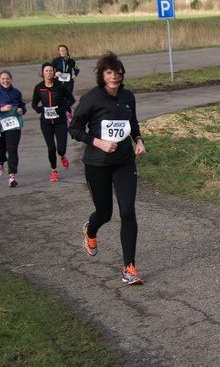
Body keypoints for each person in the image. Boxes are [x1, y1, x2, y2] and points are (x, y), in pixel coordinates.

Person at [69, 51, 146, 285]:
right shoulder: (92, 98)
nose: (114, 77)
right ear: (102, 75)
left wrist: (139, 140)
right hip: (97, 164)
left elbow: (132, 122)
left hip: (124, 162)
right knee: (105, 214)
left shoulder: (127, 97)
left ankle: (129, 268)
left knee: (127, 213)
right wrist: (98, 142)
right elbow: (75, 129)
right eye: (109, 73)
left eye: (118, 73)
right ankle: (90, 232)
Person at [32, 63, 75, 182]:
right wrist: (39, 109)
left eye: (51, 71)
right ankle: (54, 170)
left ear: (53, 72)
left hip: (60, 121)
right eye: (46, 71)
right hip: (46, 122)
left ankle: (62, 156)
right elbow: (34, 104)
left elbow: (71, 99)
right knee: (51, 148)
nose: (49, 73)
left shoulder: (60, 86)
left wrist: (62, 109)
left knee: (61, 148)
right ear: (42, 73)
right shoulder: (39, 88)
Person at [0, 70, 27, 187]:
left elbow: (22, 106)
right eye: (3, 79)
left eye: (7, 78)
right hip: (1, 125)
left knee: (12, 149)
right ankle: (1, 162)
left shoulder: (16, 92)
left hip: (14, 125)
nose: (5, 81)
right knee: (1, 149)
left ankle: (12, 176)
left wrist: (21, 110)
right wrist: (1, 109)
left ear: (11, 80)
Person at [52, 44, 80, 122]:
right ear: (59, 52)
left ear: (67, 51)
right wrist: (55, 73)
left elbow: (77, 69)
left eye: (64, 50)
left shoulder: (71, 61)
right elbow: (50, 69)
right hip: (59, 82)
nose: (63, 52)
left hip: (69, 83)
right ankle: (67, 111)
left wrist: (75, 75)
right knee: (59, 98)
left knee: (67, 98)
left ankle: (69, 112)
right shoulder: (56, 61)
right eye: (61, 51)